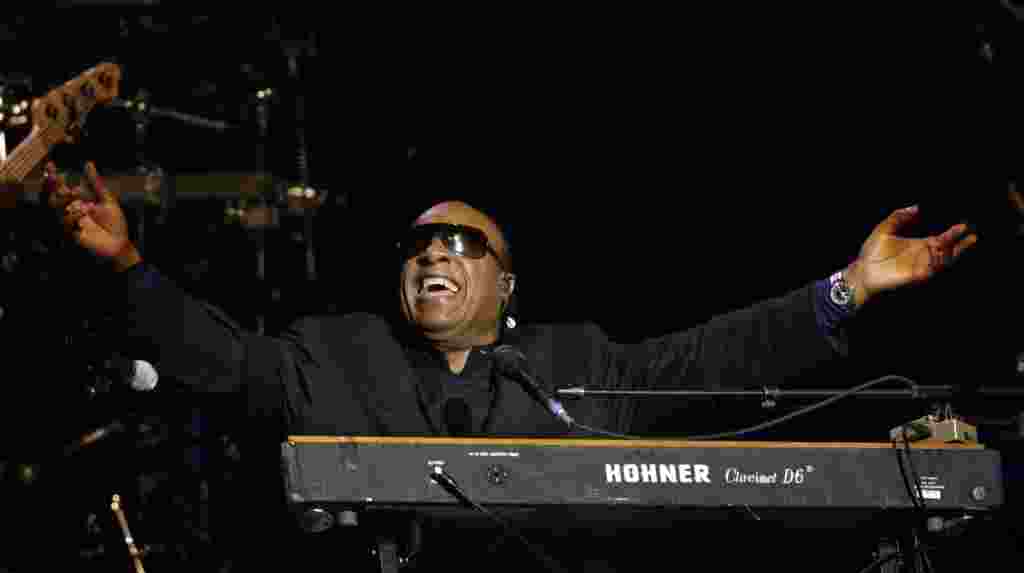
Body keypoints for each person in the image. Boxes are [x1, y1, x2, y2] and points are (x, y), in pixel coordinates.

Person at [47, 161, 978, 441]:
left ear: (507, 285)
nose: (433, 257)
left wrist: (849, 288)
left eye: (461, 244)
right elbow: (220, 357)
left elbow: (712, 355)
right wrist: (129, 264)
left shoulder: (576, 365)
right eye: (417, 246)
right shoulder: (334, 354)